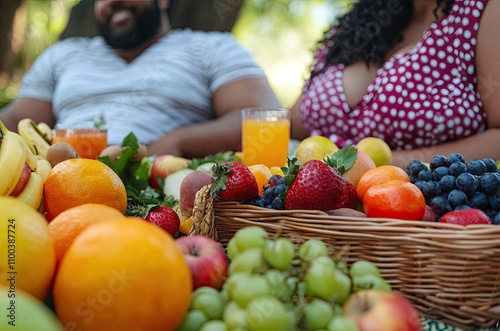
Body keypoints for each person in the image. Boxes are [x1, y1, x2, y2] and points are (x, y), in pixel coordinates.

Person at [0, 0, 280, 158]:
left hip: (167, 196)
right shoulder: (63, 54)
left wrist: (178, 142)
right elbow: (15, 123)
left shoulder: (212, 48)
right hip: (62, 188)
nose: (110, 3)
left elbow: (266, 118)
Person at [290, 0, 500, 168]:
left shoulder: (483, 10)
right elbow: (292, 125)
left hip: (414, 207)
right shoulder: (365, 18)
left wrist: (372, 165)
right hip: (319, 212)